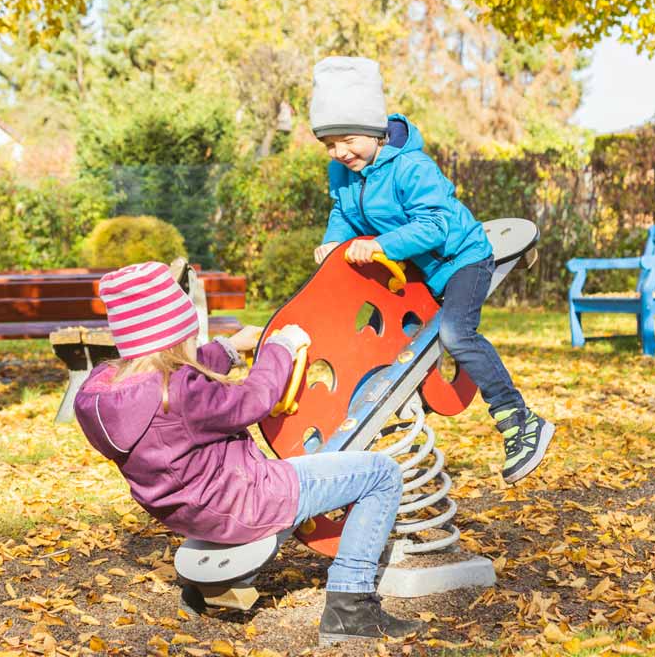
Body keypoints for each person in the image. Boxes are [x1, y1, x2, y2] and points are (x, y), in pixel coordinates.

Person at [73, 261, 422, 645]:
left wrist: (227, 349)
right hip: (243, 501)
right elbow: (254, 399)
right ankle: (351, 604)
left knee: (305, 468)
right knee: (381, 473)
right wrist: (280, 349)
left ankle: (208, 585)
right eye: (188, 335)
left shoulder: (102, 394)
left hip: (187, 512)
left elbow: (174, 371)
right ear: (174, 335)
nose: (193, 343)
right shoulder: (180, 396)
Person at [309, 56, 555, 485]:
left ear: (373, 130)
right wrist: (335, 241)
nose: (339, 153)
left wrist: (380, 244)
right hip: (413, 273)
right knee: (381, 336)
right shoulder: (343, 171)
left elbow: (436, 224)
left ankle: (520, 419)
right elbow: (343, 211)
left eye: (347, 140)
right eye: (329, 144)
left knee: (456, 333)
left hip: (461, 258)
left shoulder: (411, 167)